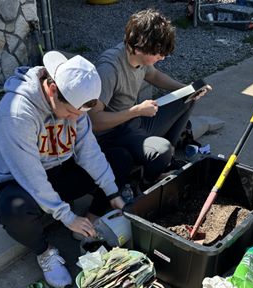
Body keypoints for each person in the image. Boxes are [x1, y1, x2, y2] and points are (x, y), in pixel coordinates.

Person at [0, 51, 133, 288]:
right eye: (71, 113)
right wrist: (66, 216)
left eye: (80, 114)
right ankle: (44, 251)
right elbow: (31, 176)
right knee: (12, 210)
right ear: (53, 90)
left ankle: (90, 222)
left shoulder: (75, 104)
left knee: (120, 160)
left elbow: (88, 150)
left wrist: (113, 194)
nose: (75, 119)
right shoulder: (16, 113)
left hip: (60, 168)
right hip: (21, 180)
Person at [89, 8, 212, 193]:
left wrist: (187, 89)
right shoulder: (109, 69)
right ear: (138, 48)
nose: (161, 58)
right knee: (160, 150)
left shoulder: (138, 56)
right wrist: (137, 110)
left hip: (134, 122)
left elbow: (154, 75)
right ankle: (145, 186)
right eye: (157, 54)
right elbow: (94, 122)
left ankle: (168, 154)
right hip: (114, 136)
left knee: (188, 99)